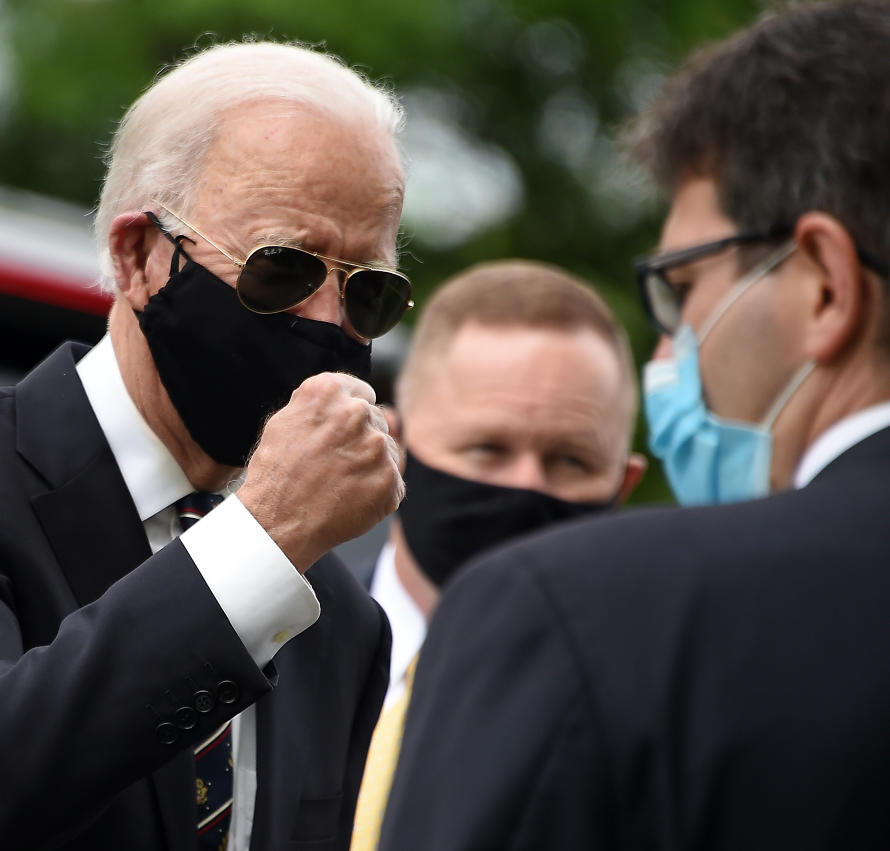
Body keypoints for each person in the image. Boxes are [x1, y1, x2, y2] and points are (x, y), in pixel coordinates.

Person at [0, 41, 411, 851]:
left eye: (368, 289)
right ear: (138, 256)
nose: (328, 321)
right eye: (283, 269)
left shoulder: (335, 619)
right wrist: (265, 535)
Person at [380, 1, 890, 848]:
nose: (676, 347)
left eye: (685, 288)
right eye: (486, 447)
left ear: (825, 285)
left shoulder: (582, 618)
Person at [347, 261, 645, 850]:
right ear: (393, 446)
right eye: (487, 448)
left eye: (571, 460)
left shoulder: (651, 711)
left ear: (624, 485)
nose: (525, 484)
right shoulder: (275, 663)